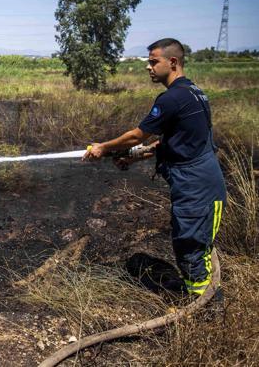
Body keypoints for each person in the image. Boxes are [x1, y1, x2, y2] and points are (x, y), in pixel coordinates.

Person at [83, 38, 226, 296]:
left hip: (196, 188)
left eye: (153, 62)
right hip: (203, 182)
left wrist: (103, 147)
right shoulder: (196, 93)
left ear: (172, 62)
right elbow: (178, 141)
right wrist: (134, 157)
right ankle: (197, 296)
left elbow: (138, 135)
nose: (148, 68)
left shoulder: (172, 98)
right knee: (193, 245)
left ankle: (202, 311)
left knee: (191, 249)